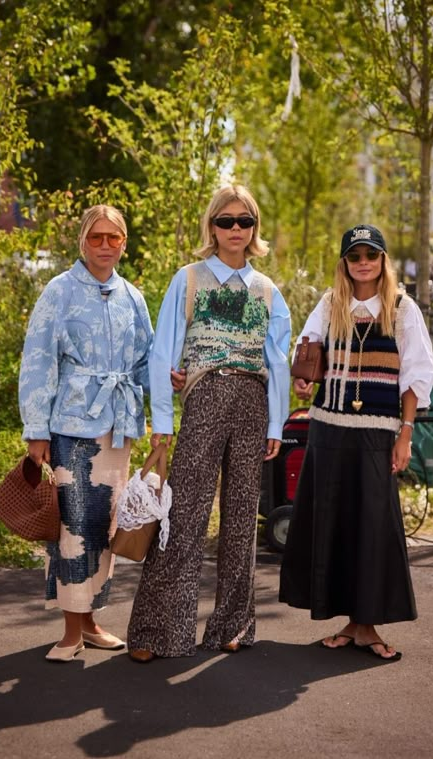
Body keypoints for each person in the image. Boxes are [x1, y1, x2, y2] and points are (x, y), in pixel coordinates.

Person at [127, 184, 291, 661]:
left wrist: (276, 426)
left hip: (253, 402)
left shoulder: (268, 290)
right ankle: (159, 631)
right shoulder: (189, 278)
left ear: (254, 228)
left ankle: (233, 624)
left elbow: (277, 361)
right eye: (226, 221)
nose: (235, 230)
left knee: (242, 519)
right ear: (212, 227)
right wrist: (162, 419)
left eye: (245, 221)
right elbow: (163, 353)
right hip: (204, 396)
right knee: (183, 516)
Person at [279, 224, 433, 661]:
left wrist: (405, 434)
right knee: (334, 525)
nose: (363, 262)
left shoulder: (402, 309)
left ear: (383, 260)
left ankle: (368, 626)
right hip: (328, 429)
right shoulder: (331, 305)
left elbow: (417, 375)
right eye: (355, 255)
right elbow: (306, 350)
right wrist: (304, 378)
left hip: (376, 432)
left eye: (371, 254)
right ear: (344, 263)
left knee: (372, 527)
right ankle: (351, 624)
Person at [19, 204, 155, 662]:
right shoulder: (59, 292)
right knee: (73, 528)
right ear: (82, 240)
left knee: (105, 526)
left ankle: (93, 622)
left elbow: (145, 361)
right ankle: (71, 629)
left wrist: (165, 406)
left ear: (123, 243)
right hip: (72, 427)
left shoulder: (132, 297)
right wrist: (36, 430)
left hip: (119, 428)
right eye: (95, 237)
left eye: (112, 238)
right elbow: (38, 361)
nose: (103, 246)